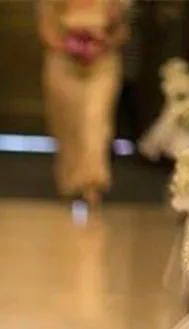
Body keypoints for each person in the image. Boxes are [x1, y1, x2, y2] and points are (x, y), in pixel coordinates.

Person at [38, 0, 129, 207]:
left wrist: (102, 42)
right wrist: (70, 46)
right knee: (68, 123)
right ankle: (70, 181)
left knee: (95, 121)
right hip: (63, 64)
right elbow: (46, 31)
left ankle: (92, 183)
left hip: (102, 64)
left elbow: (122, 32)